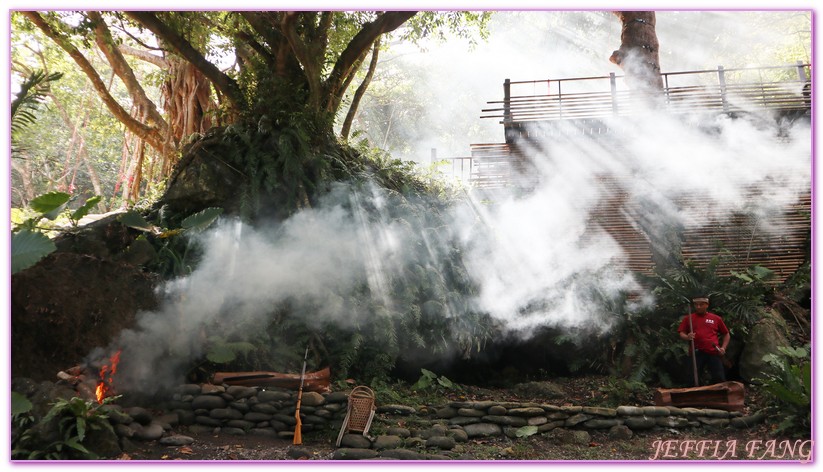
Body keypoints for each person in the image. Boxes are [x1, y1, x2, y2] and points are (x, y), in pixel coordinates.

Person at [678, 296, 730, 386]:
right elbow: (681, 332)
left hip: (713, 351)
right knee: (692, 378)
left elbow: (726, 334)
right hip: (696, 352)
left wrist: (723, 348)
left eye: (701, 305)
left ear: (707, 305)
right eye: (696, 305)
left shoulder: (716, 318)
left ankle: (721, 396)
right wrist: (687, 337)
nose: (698, 307)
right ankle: (692, 397)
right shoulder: (689, 318)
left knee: (719, 377)